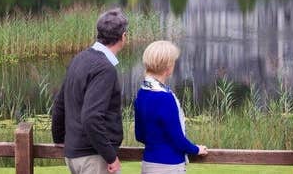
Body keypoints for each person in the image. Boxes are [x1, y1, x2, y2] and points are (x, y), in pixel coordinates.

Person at [52, 9, 129, 174]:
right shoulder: (105, 69)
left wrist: (59, 138)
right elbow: (91, 117)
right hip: (94, 157)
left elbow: (59, 103)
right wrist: (110, 157)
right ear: (123, 36)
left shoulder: (80, 58)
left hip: (75, 154)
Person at [134, 41, 208, 173]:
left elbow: (139, 135)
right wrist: (196, 149)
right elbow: (178, 138)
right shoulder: (165, 98)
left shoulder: (142, 93)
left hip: (148, 163)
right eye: (173, 61)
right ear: (168, 67)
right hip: (169, 166)